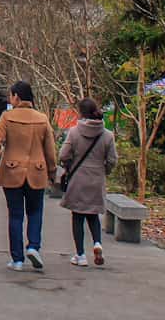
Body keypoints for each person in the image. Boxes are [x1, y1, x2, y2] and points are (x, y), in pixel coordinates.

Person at [0, 81, 56, 272]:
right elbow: (50, 150)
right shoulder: (42, 118)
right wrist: (52, 172)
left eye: (11, 96)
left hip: (12, 171)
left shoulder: (8, 117)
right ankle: (34, 246)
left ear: (16, 97)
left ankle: (17, 259)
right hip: (37, 171)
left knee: (16, 215)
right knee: (35, 212)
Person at [59, 98, 118, 267]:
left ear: (81, 113)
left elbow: (63, 155)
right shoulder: (107, 135)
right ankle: (97, 243)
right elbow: (113, 160)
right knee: (93, 215)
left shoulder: (74, 132)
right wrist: (104, 171)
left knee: (77, 216)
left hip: (78, 179)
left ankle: (80, 255)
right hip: (97, 178)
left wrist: (69, 166)